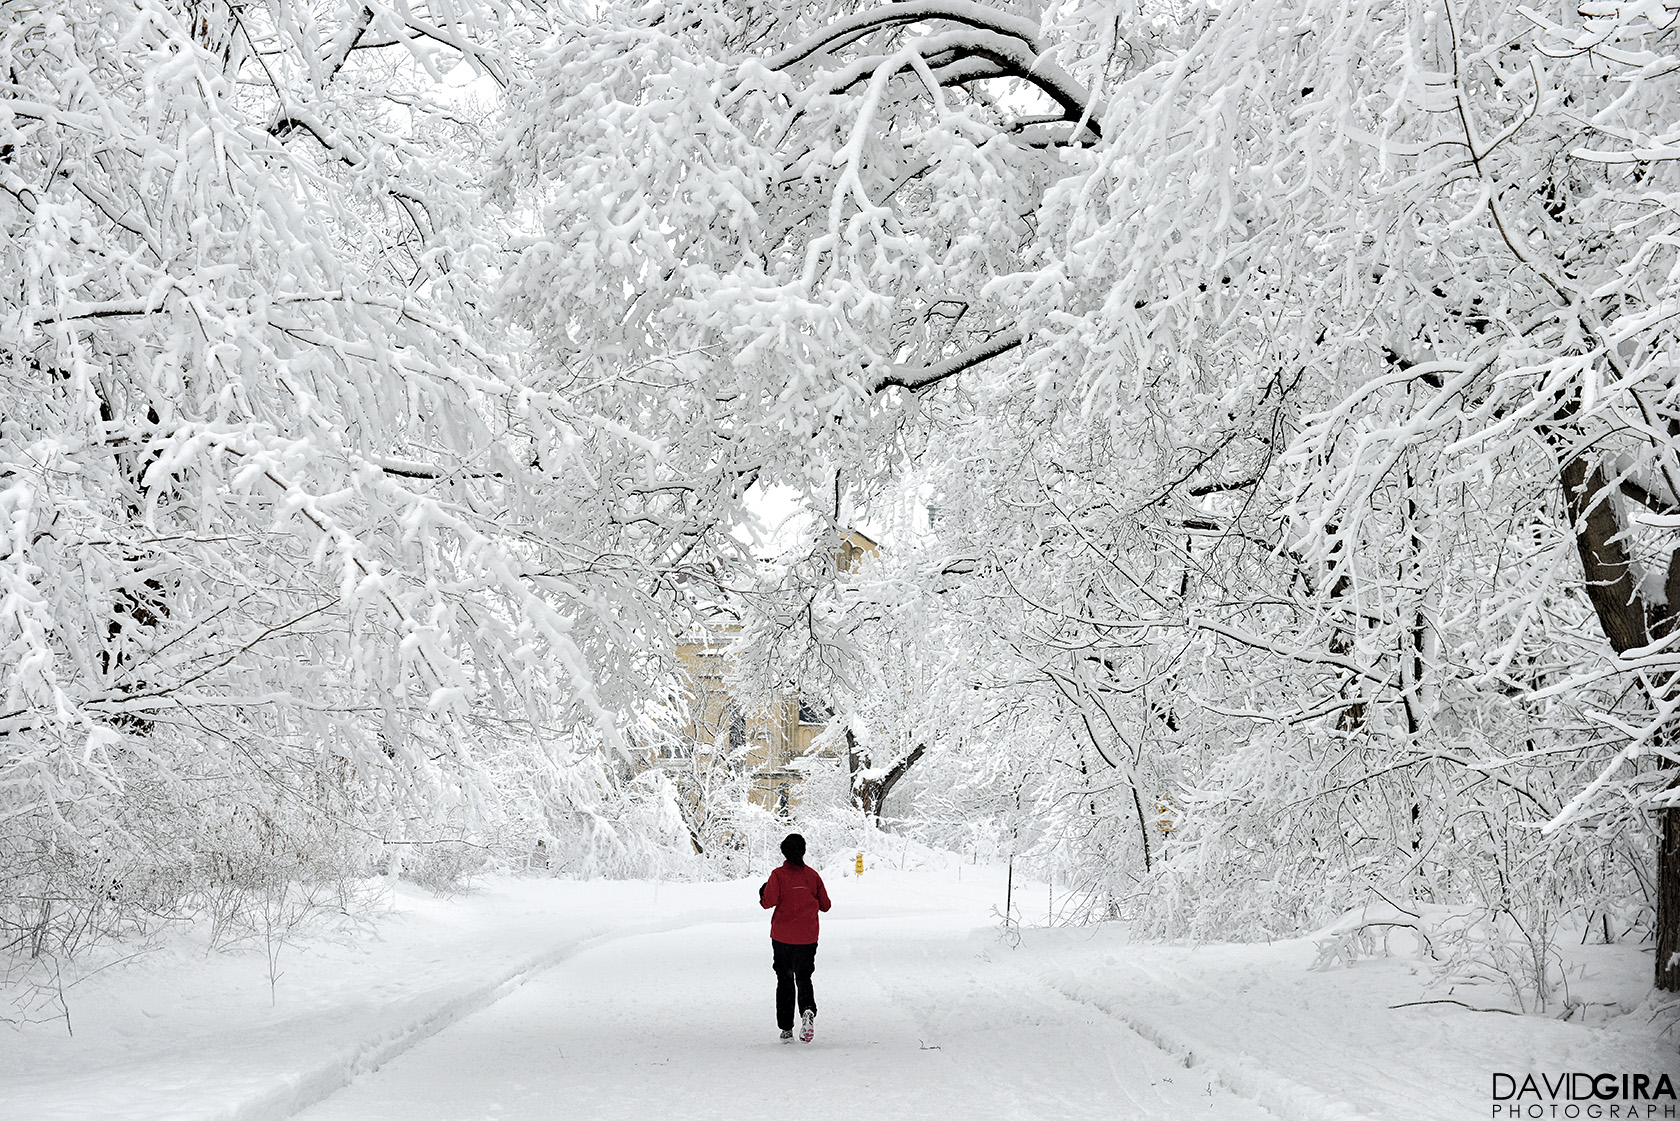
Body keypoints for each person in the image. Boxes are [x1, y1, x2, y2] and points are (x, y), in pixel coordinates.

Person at [758, 832, 831, 1043]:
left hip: (782, 937)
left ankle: (786, 1029)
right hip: (807, 938)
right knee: (804, 977)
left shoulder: (777, 875)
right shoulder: (813, 876)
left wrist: (762, 891)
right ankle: (807, 1010)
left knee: (785, 979)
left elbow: (767, 902)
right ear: (803, 851)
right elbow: (825, 906)